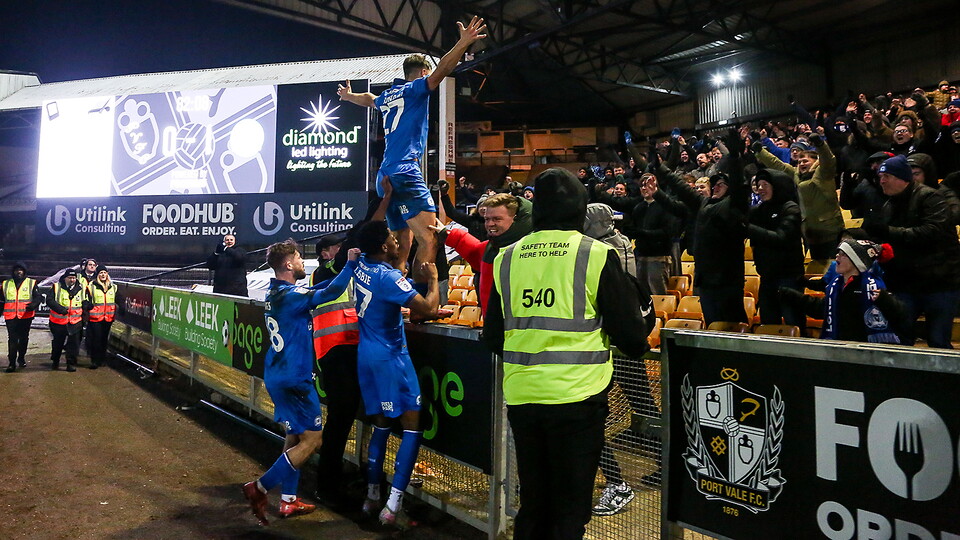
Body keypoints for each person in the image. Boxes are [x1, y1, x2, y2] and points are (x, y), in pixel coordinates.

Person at [484, 168, 650, 539]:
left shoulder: (506, 257)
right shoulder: (595, 254)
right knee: (569, 510)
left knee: (534, 504)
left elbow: (493, 336)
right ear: (579, 207)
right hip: (578, 398)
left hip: (523, 397)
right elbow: (631, 337)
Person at [337, 16, 487, 277]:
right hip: (406, 171)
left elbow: (369, 98)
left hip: (385, 174)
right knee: (430, 238)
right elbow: (443, 70)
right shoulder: (416, 89)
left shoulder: (387, 96)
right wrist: (463, 43)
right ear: (423, 73)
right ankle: (420, 295)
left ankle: (393, 290)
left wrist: (349, 96)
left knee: (399, 242)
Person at [241, 239, 360, 526]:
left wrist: (340, 273)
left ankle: (288, 500)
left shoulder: (276, 293)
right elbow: (330, 292)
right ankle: (260, 487)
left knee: (294, 437)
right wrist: (350, 266)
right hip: (295, 378)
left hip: (278, 374)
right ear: (287, 264)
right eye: (297, 257)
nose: (300, 262)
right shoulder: (292, 296)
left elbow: (318, 289)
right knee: (313, 440)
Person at [352, 220, 445, 528]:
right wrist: (434, 281)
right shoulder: (387, 276)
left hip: (366, 356)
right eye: (393, 239)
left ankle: (371, 497)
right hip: (391, 359)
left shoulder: (361, 266)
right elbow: (428, 309)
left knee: (380, 425)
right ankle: (393, 507)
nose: (397, 242)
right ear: (383, 246)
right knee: (412, 428)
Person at [862, 155, 960, 348]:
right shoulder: (888, 204)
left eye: (887, 176)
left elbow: (931, 232)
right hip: (906, 282)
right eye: (880, 177)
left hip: (939, 282)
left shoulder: (931, 197)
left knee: (938, 340)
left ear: (902, 178)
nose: (882, 181)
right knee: (900, 337)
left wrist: (888, 231)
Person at [308, 241, 362, 510]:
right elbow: (338, 270)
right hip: (334, 350)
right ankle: (328, 486)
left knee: (342, 418)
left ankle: (331, 481)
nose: (341, 251)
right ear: (325, 253)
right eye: (336, 247)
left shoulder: (343, 271)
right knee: (339, 420)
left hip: (343, 348)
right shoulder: (324, 271)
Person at [780, 239, 905, 343]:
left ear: (856, 261)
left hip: (864, 350)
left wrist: (884, 299)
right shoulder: (836, 285)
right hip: (840, 346)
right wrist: (790, 295)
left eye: (843, 254)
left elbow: (900, 315)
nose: (837, 256)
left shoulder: (872, 287)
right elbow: (822, 309)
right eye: (838, 253)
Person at [435, 193, 532, 313]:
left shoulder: (531, 250)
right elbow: (474, 251)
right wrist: (446, 234)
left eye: (497, 219)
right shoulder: (491, 248)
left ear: (516, 219)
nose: (490, 224)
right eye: (487, 219)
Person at [746, 168, 805, 327]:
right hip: (767, 277)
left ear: (777, 186)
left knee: (794, 321)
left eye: (765, 184)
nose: (760, 189)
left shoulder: (790, 208)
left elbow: (781, 238)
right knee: (768, 325)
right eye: (758, 185)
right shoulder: (758, 210)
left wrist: (748, 228)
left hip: (789, 277)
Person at [3, 262, 42, 372]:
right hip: (11, 317)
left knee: (24, 339)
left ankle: (21, 358)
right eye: (16, 270)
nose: (18, 272)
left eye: (21, 270)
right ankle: (11, 363)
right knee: (12, 339)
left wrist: (33, 305)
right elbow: (1, 300)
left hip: (25, 316)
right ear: (13, 271)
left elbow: (38, 298)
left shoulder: (31, 283)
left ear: (24, 271)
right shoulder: (6, 284)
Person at [46, 269, 85, 372]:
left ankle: (70, 364)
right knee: (58, 343)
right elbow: (49, 300)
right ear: (65, 278)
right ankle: (55, 361)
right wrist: (60, 309)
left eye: (74, 278)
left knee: (73, 344)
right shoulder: (56, 287)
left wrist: (87, 305)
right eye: (70, 278)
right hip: (58, 322)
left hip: (75, 321)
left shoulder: (82, 288)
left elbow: (85, 300)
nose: (72, 280)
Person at [85, 265, 117, 369]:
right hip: (95, 318)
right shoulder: (91, 286)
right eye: (101, 273)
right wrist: (87, 306)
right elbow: (86, 299)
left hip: (108, 318)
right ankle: (94, 361)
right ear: (97, 275)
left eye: (104, 272)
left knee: (104, 339)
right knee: (96, 339)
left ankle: (102, 359)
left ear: (107, 274)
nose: (103, 275)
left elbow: (117, 299)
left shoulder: (113, 287)